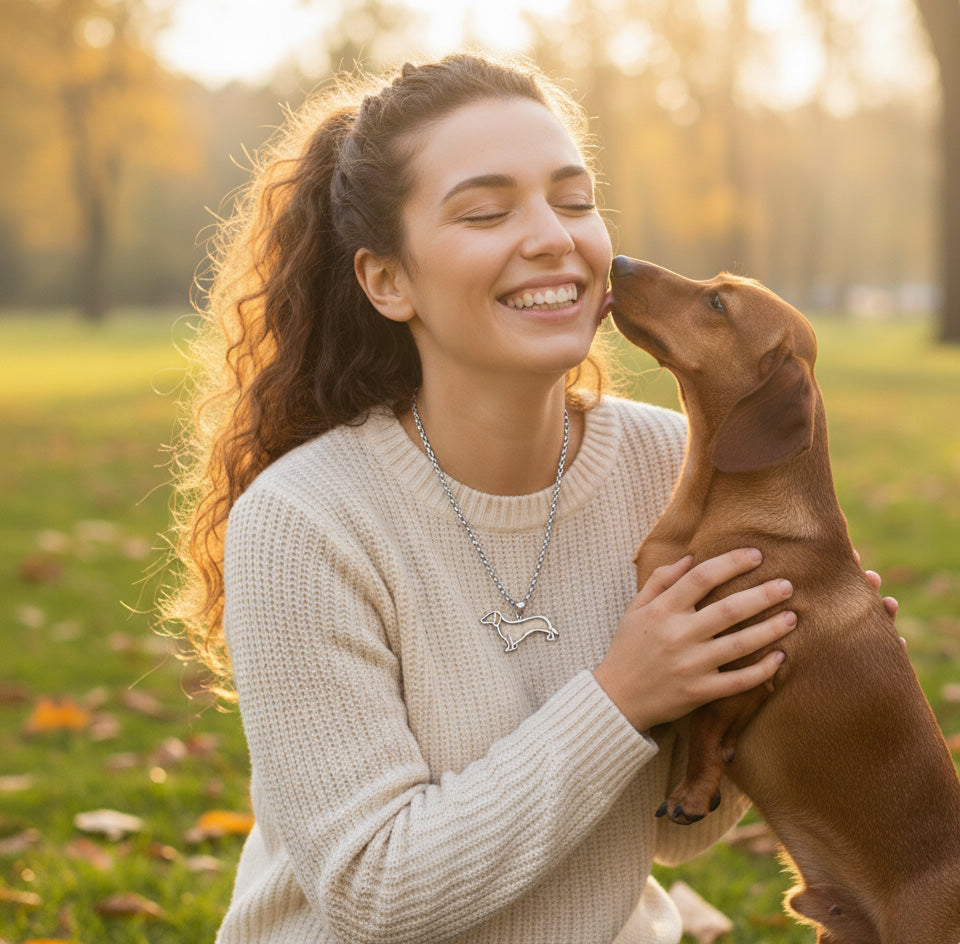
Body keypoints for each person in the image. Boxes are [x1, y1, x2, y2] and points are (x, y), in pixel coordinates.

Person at [163, 52, 893, 943]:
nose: (554, 235)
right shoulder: (305, 520)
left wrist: (767, 676)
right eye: (485, 211)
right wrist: (623, 693)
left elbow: (675, 840)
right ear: (387, 280)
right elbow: (375, 891)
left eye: (574, 200)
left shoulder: (673, 464)